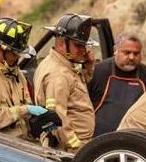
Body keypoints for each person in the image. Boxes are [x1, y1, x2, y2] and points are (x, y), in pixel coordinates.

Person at [0, 18, 54, 141]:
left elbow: (25, 109)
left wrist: (41, 123)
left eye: (19, 53)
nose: (17, 57)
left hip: (23, 142)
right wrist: (26, 110)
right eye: (14, 53)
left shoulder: (17, 74)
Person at [33, 13, 98, 151]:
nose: (83, 50)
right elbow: (57, 118)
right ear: (61, 43)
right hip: (69, 147)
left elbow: (75, 89)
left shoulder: (63, 65)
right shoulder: (58, 74)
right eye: (78, 45)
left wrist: (87, 68)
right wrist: (76, 147)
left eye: (84, 45)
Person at [87, 33, 146, 136]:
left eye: (136, 53)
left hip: (134, 139)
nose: (131, 57)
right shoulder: (97, 72)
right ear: (115, 50)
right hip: (97, 139)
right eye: (127, 52)